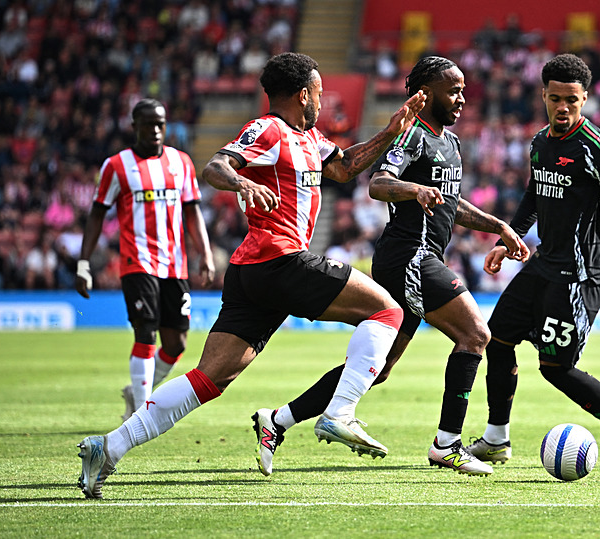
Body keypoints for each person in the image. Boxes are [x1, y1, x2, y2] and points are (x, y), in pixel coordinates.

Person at [76, 52, 425, 499]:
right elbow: (216, 166)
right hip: (277, 259)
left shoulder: (309, 138)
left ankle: (107, 448)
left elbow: (344, 167)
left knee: (209, 379)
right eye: (318, 91)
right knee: (388, 312)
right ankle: (340, 412)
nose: (321, 99)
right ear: (303, 94)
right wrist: (241, 182)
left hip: (255, 274)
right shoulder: (269, 130)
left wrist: (389, 132)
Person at [251, 56, 527, 477]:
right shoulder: (414, 135)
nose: (461, 98)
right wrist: (413, 188)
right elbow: (379, 183)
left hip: (419, 258)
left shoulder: (448, 143)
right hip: (410, 258)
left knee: (376, 369)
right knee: (476, 335)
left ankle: (278, 420)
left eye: (463, 89)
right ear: (427, 93)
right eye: (453, 90)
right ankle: (447, 444)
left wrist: (498, 226)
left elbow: (451, 206)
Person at [467, 54, 600, 470]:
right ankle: (496, 438)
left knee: (555, 368)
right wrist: (507, 239)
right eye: (556, 98)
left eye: (572, 101)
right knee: (498, 336)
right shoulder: (540, 141)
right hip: (544, 265)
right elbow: (533, 196)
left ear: (585, 99)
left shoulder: (597, 147)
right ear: (543, 94)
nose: (563, 108)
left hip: (580, 275)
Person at [75, 98, 216, 423]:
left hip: (174, 264)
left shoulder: (181, 162)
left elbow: (192, 210)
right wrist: (84, 264)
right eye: (148, 124)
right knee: (145, 332)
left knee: (176, 342)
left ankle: (137, 390)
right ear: (134, 126)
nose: (155, 130)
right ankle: (141, 413)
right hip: (137, 261)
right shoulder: (117, 166)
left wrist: (205, 253)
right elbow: (97, 214)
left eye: (160, 124)